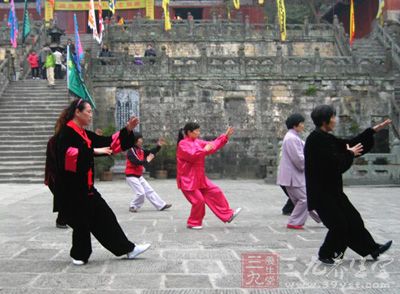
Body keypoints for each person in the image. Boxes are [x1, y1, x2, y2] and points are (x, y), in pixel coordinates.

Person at [53, 99, 151, 265]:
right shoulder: (67, 133)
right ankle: (79, 255)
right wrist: (91, 151)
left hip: (86, 187)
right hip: (72, 189)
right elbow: (67, 155)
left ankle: (127, 249)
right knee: (81, 223)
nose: (91, 115)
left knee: (104, 217)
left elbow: (108, 142)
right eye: (89, 111)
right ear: (78, 112)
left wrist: (127, 130)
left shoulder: (84, 133)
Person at [304, 105, 392, 264]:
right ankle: (326, 253)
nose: (335, 120)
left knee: (353, 219)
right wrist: (350, 154)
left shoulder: (327, 137)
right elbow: (333, 164)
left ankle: (372, 249)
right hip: (321, 193)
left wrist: (371, 132)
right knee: (339, 224)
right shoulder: (315, 140)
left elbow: (349, 144)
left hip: (333, 191)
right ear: (325, 120)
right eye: (332, 117)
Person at [176, 122, 242, 230]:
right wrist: (204, 150)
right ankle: (193, 222)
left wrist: (224, 137)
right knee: (198, 201)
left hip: (200, 177)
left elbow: (212, 145)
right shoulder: (183, 144)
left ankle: (227, 215)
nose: (198, 133)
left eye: (198, 130)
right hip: (187, 179)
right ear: (189, 132)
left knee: (215, 191)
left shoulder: (197, 142)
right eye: (196, 131)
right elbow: (192, 156)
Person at [277, 113, 321, 230]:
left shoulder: (293, 137)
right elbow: (299, 158)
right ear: (295, 125)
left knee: (302, 199)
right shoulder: (291, 138)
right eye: (301, 123)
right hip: (292, 176)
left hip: (292, 176)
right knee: (305, 199)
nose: (303, 125)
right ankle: (294, 221)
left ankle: (323, 217)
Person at [125, 133, 172, 213]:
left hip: (138, 176)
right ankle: (133, 206)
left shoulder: (141, 150)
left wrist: (158, 146)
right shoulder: (131, 151)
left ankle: (161, 205)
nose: (142, 140)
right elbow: (137, 162)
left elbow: (151, 152)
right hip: (131, 176)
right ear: (135, 141)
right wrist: (147, 160)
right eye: (140, 139)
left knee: (149, 190)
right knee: (141, 193)